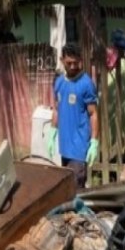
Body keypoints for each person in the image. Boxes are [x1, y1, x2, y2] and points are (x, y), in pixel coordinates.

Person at [47, 43, 99, 188]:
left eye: (76, 63)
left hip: (79, 148)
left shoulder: (86, 84)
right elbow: (57, 109)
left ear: (80, 61)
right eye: (69, 63)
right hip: (64, 147)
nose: (72, 66)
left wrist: (94, 141)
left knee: (76, 189)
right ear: (62, 60)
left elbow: (93, 113)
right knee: (68, 189)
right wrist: (52, 131)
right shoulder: (59, 83)